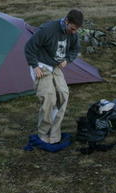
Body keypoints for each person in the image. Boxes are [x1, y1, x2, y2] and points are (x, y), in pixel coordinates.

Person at [24, 9, 83, 144]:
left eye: (76, 30)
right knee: (49, 97)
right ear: (67, 21)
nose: (74, 32)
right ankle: (43, 133)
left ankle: (55, 133)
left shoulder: (73, 34)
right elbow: (29, 47)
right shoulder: (48, 30)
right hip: (41, 65)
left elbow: (75, 49)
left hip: (55, 66)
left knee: (63, 93)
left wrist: (67, 59)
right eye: (73, 29)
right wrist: (34, 65)